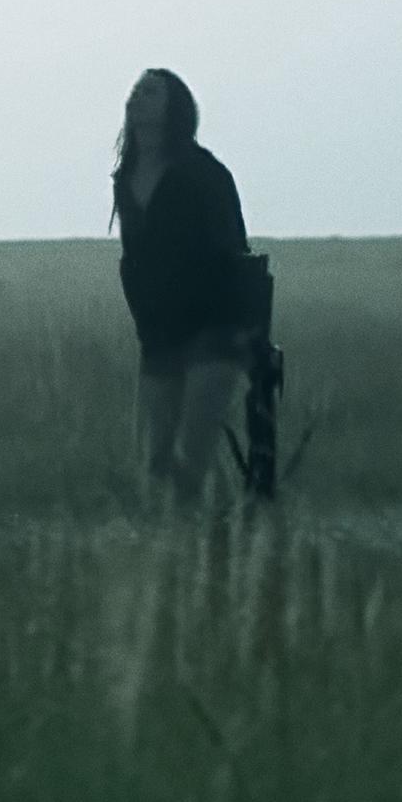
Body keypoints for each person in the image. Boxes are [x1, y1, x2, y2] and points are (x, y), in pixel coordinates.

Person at [114, 66, 256, 504]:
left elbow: (235, 251)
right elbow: (134, 259)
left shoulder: (203, 173)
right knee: (156, 459)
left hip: (213, 329)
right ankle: (211, 535)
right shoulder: (124, 178)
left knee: (190, 457)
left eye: (151, 92)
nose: (138, 97)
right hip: (159, 334)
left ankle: (220, 542)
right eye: (136, 91)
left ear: (175, 107)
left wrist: (244, 331)